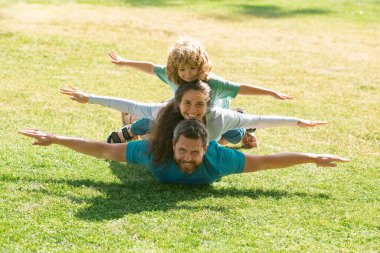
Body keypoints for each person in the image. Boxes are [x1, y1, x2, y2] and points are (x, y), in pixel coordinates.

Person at [18, 119, 348, 185]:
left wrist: (311, 157)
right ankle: (133, 121)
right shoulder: (154, 151)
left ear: (208, 148)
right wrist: (56, 138)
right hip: (153, 135)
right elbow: (105, 150)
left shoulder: (220, 158)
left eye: (194, 153)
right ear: (173, 146)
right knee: (141, 128)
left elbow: (263, 162)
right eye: (182, 151)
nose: (187, 158)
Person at [107, 37, 294, 147]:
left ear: (201, 65)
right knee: (159, 122)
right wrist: (125, 62)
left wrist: (271, 93)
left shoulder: (214, 82)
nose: (187, 75)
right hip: (184, 112)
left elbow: (240, 87)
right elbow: (151, 67)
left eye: (192, 69)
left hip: (212, 117)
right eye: (182, 69)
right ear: (175, 68)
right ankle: (130, 127)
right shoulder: (172, 74)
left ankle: (241, 123)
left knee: (234, 137)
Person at [60, 80, 326, 146]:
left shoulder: (218, 117)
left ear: (208, 105)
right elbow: (128, 103)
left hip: (224, 125)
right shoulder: (166, 110)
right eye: (187, 104)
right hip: (162, 123)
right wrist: (89, 98)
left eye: (199, 105)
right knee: (149, 124)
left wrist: (296, 122)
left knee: (235, 135)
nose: (192, 111)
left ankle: (242, 133)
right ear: (178, 102)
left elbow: (258, 118)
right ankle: (129, 128)